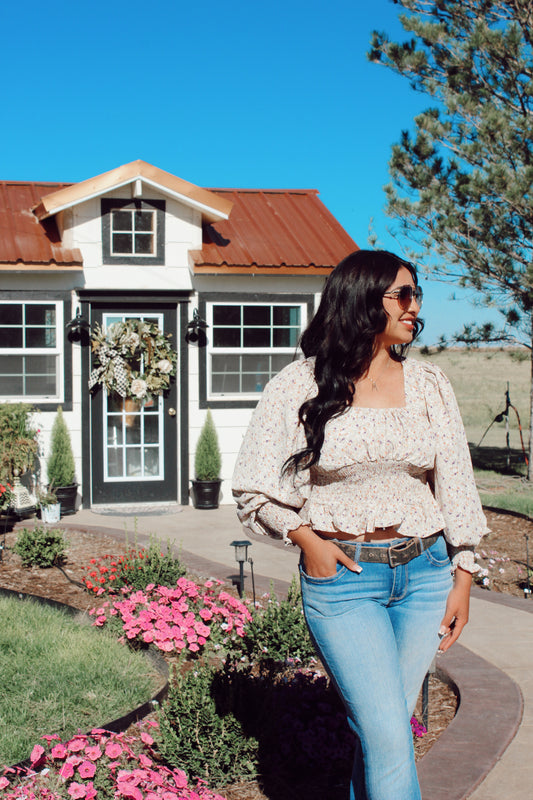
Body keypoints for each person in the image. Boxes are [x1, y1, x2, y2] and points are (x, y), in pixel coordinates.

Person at [232, 249, 488, 800]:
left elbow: (457, 483)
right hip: (344, 582)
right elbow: (252, 487)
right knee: (389, 735)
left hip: (424, 574)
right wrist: (308, 542)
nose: (414, 306)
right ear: (361, 300)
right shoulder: (301, 383)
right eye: (403, 294)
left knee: (382, 731)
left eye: (416, 294)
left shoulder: (429, 384)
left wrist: (462, 574)